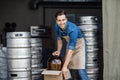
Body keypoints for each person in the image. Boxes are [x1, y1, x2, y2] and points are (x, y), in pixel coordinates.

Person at [52, 10, 88, 80]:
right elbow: (59, 40)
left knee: (81, 70)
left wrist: (64, 67)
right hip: (70, 45)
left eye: (63, 20)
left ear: (66, 19)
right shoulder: (56, 27)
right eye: (59, 20)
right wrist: (58, 51)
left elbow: (71, 51)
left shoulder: (72, 29)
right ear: (56, 21)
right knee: (69, 70)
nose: (62, 22)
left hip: (79, 47)